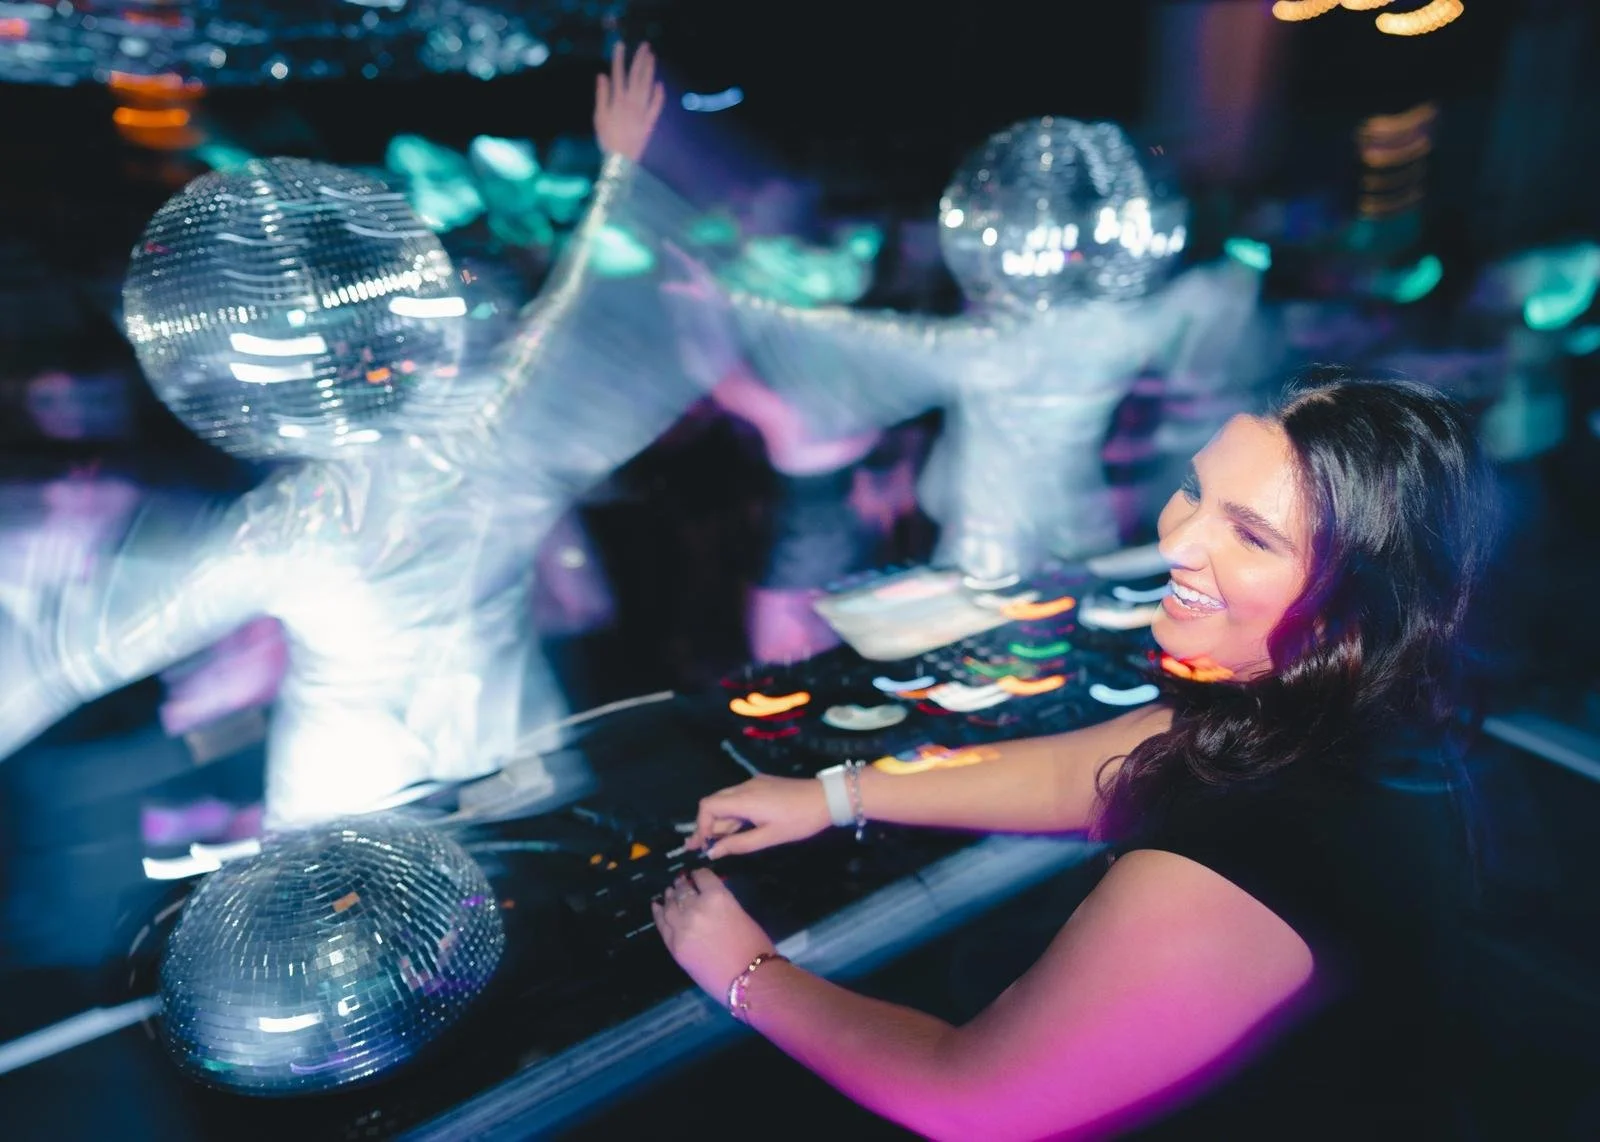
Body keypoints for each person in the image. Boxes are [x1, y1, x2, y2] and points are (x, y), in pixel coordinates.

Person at [653, 369, 1495, 1139]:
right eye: (1195, 492)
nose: (1177, 542)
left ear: (1352, 603)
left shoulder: (1250, 861)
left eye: (1251, 537)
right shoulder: (1338, 700)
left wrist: (745, 971)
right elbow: (1079, 770)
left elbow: (971, 1103)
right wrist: (835, 794)